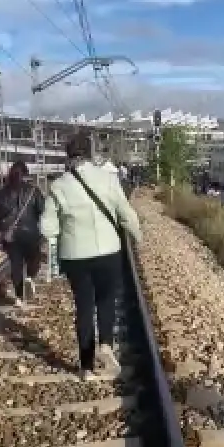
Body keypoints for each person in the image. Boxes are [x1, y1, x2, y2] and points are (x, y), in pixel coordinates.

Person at [40, 133, 142, 380]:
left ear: (68, 156)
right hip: (108, 252)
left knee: (84, 307)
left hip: (75, 257)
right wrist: (137, 236)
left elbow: (47, 226)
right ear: (91, 153)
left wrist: (53, 245)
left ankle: (86, 367)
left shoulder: (58, 185)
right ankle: (106, 344)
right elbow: (126, 213)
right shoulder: (108, 179)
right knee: (106, 300)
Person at [0, 161, 45, 305]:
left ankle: (19, 297)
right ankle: (30, 277)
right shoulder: (34, 191)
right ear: (26, 174)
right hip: (31, 233)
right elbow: (43, 211)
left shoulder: (1, 194)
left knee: (16, 264)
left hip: (10, 236)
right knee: (34, 258)